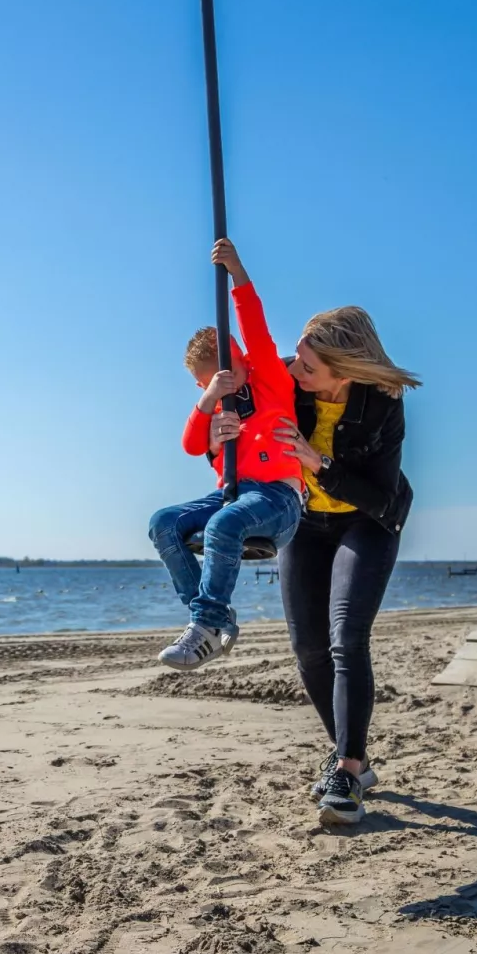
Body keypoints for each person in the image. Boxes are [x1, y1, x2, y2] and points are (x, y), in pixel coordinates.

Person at [210, 303, 419, 824]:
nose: (293, 370)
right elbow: (232, 417)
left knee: (345, 637)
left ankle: (345, 770)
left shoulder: (382, 405)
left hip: (368, 521)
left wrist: (316, 461)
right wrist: (219, 426)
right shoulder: (282, 381)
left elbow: (380, 493)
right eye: (297, 358)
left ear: (343, 371)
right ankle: (353, 758)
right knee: (307, 647)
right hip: (302, 521)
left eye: (307, 367)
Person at [148, 239, 304, 670]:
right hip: (234, 494)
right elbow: (191, 446)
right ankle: (212, 618)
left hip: (278, 497)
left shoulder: (268, 376)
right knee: (162, 523)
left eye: (232, 367)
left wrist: (237, 272)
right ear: (203, 385)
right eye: (216, 379)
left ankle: (207, 625)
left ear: (242, 356)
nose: (230, 380)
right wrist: (209, 407)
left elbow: (253, 324)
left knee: (224, 522)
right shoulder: (214, 405)